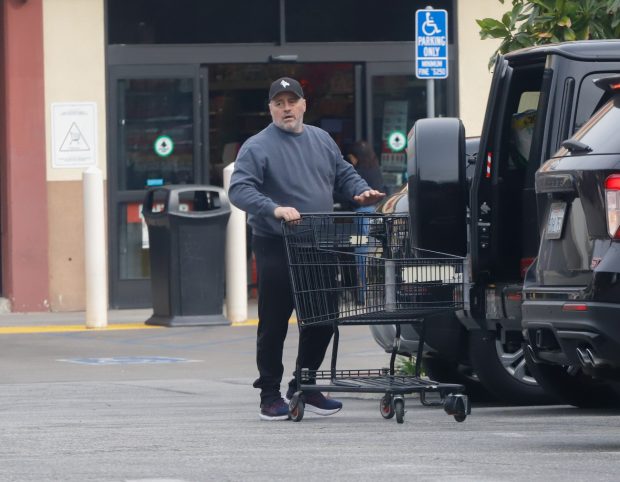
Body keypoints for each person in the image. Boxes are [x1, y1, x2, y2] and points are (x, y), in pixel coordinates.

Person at [228, 77, 385, 421]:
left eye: (292, 101)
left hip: (319, 240)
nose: (286, 108)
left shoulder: (321, 139)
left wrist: (360, 191)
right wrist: (275, 208)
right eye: (279, 103)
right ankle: (269, 393)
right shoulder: (257, 146)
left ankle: (306, 383)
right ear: (270, 108)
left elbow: (344, 173)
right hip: (276, 243)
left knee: (323, 318)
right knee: (274, 323)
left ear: (303, 105)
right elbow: (239, 190)